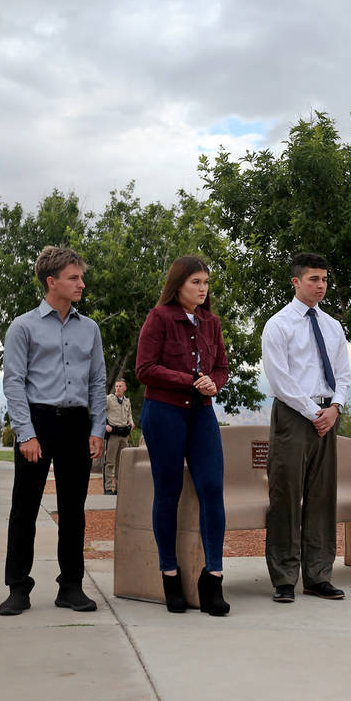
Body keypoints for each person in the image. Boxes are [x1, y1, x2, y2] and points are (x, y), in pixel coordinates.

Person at [0, 246, 107, 616]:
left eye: (81, 276)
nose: (81, 283)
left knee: (73, 510)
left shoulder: (89, 328)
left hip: (77, 423)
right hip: (37, 422)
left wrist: (97, 429)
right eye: (74, 277)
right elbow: (13, 382)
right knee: (24, 508)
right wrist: (25, 434)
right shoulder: (23, 326)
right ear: (52, 281)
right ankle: (18, 587)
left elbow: (97, 381)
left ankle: (71, 587)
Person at [135, 256, 230, 616]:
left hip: (202, 414)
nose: (203, 289)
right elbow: (145, 369)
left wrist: (213, 383)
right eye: (196, 282)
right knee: (169, 492)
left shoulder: (212, 322)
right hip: (164, 414)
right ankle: (170, 575)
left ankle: (213, 577)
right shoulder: (159, 318)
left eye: (206, 282)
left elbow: (221, 366)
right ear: (178, 285)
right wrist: (191, 380)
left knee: (211, 488)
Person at [261, 252, 351, 603]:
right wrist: (315, 412)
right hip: (294, 417)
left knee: (322, 498)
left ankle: (318, 575)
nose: (321, 285)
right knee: (285, 497)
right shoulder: (279, 324)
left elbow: (343, 373)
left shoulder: (331, 326)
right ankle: (284, 578)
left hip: (327, 418)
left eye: (325, 279)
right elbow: (280, 380)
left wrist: (336, 408)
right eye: (314, 279)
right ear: (296, 282)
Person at [102, 379, 134, 495]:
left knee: (122, 463)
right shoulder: (109, 399)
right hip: (113, 433)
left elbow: (129, 414)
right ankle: (108, 488)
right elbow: (100, 410)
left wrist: (131, 422)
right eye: (116, 386)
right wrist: (105, 425)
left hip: (124, 434)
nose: (118, 388)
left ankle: (119, 488)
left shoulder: (126, 401)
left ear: (125, 388)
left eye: (120, 386)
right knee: (110, 462)